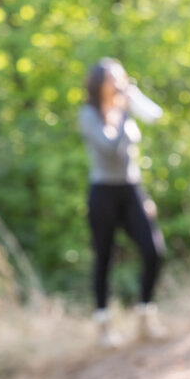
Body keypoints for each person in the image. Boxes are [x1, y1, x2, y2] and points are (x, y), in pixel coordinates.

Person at [78, 58, 167, 347]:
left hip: (131, 188)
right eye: (111, 79)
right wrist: (122, 114)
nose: (117, 84)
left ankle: (145, 314)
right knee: (104, 257)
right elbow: (109, 148)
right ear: (98, 84)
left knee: (154, 251)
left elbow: (155, 116)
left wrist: (132, 101)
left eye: (120, 78)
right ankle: (104, 324)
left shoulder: (125, 106)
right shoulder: (89, 114)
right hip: (103, 191)